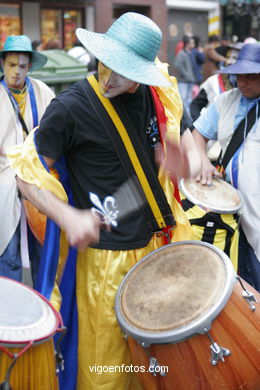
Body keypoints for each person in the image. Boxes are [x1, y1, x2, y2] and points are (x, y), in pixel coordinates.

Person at [7, 13, 201, 390]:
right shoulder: (70, 107)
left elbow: (190, 152)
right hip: (106, 262)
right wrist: (67, 215)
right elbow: (24, 176)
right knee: (106, 374)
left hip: (159, 248)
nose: (109, 78)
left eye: (123, 71)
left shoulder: (159, 96)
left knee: (159, 364)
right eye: (105, 64)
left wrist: (189, 161)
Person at [192, 43, 260, 292]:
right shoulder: (224, 101)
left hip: (257, 208)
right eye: (239, 76)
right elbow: (197, 134)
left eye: (251, 77)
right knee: (234, 280)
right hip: (226, 208)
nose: (243, 82)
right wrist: (203, 161)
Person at [0, 35, 55, 283]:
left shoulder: (42, 91)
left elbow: (56, 132)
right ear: (3, 64)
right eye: (12, 65)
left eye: (22, 66)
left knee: (43, 246)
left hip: (37, 175)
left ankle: (44, 304)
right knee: (8, 248)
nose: (16, 72)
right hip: (4, 178)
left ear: (29, 66)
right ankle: (10, 311)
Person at [174, 35, 196, 113]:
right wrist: (186, 74)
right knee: (182, 100)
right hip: (183, 81)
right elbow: (177, 65)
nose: (194, 45)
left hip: (189, 81)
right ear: (187, 44)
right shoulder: (182, 54)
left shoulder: (190, 53)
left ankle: (188, 120)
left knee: (188, 100)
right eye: (192, 43)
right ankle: (183, 119)